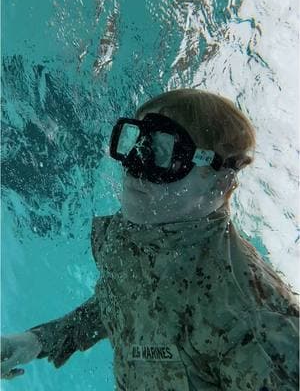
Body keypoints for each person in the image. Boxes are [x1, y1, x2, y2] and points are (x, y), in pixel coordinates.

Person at [1, 89, 299, 390]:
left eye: (162, 151)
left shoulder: (247, 312)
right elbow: (120, 298)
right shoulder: (130, 233)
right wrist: (37, 341)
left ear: (219, 184)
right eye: (137, 142)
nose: (134, 166)